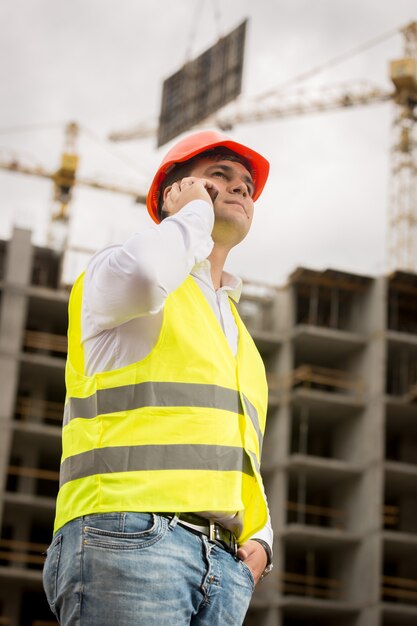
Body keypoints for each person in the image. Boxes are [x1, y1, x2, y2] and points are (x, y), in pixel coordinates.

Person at [43, 130, 273, 626]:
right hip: (130, 538)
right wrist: (191, 214)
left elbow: (240, 457)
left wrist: (263, 543)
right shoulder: (116, 273)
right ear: (173, 192)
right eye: (219, 175)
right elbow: (151, 272)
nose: (239, 189)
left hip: (225, 569)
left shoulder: (240, 338)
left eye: (247, 186)